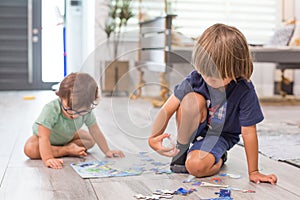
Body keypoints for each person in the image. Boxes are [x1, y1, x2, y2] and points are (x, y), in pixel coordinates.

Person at [148, 23, 277, 184]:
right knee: (189, 100)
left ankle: (219, 157)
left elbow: (249, 132)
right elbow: (167, 109)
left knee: (195, 166)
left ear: (236, 69)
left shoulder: (244, 90)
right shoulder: (196, 78)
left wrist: (254, 171)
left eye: (216, 77)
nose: (208, 79)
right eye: (205, 73)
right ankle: (182, 149)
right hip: (195, 127)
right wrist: (153, 137)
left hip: (220, 135)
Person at [24, 72, 124, 169]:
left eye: (80, 112)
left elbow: (95, 131)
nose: (74, 115)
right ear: (60, 96)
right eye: (69, 109)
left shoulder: (87, 110)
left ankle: (67, 147)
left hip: (67, 136)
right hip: (44, 138)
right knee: (30, 149)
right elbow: (43, 137)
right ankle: (66, 150)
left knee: (90, 140)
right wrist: (48, 158)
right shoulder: (51, 109)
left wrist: (107, 151)